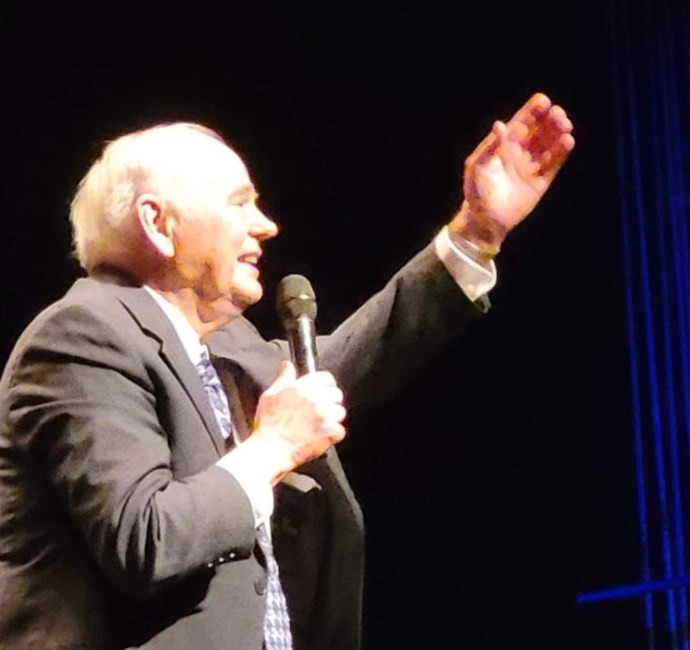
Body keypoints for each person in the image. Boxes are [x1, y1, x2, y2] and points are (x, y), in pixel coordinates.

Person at [0, 93, 574, 650]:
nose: (266, 225)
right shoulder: (82, 335)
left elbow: (353, 361)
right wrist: (274, 446)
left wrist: (476, 234)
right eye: (239, 203)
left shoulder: (225, 345)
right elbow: (144, 539)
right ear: (158, 222)